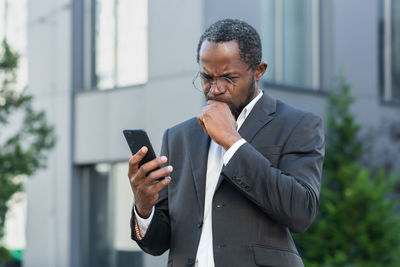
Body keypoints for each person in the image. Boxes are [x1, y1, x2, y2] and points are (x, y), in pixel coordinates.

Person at [128, 19, 324, 267]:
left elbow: (301, 212)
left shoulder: (298, 124)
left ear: (259, 71)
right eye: (206, 78)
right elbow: (158, 243)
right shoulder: (178, 136)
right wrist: (143, 207)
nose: (215, 89)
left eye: (229, 78)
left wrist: (232, 141)